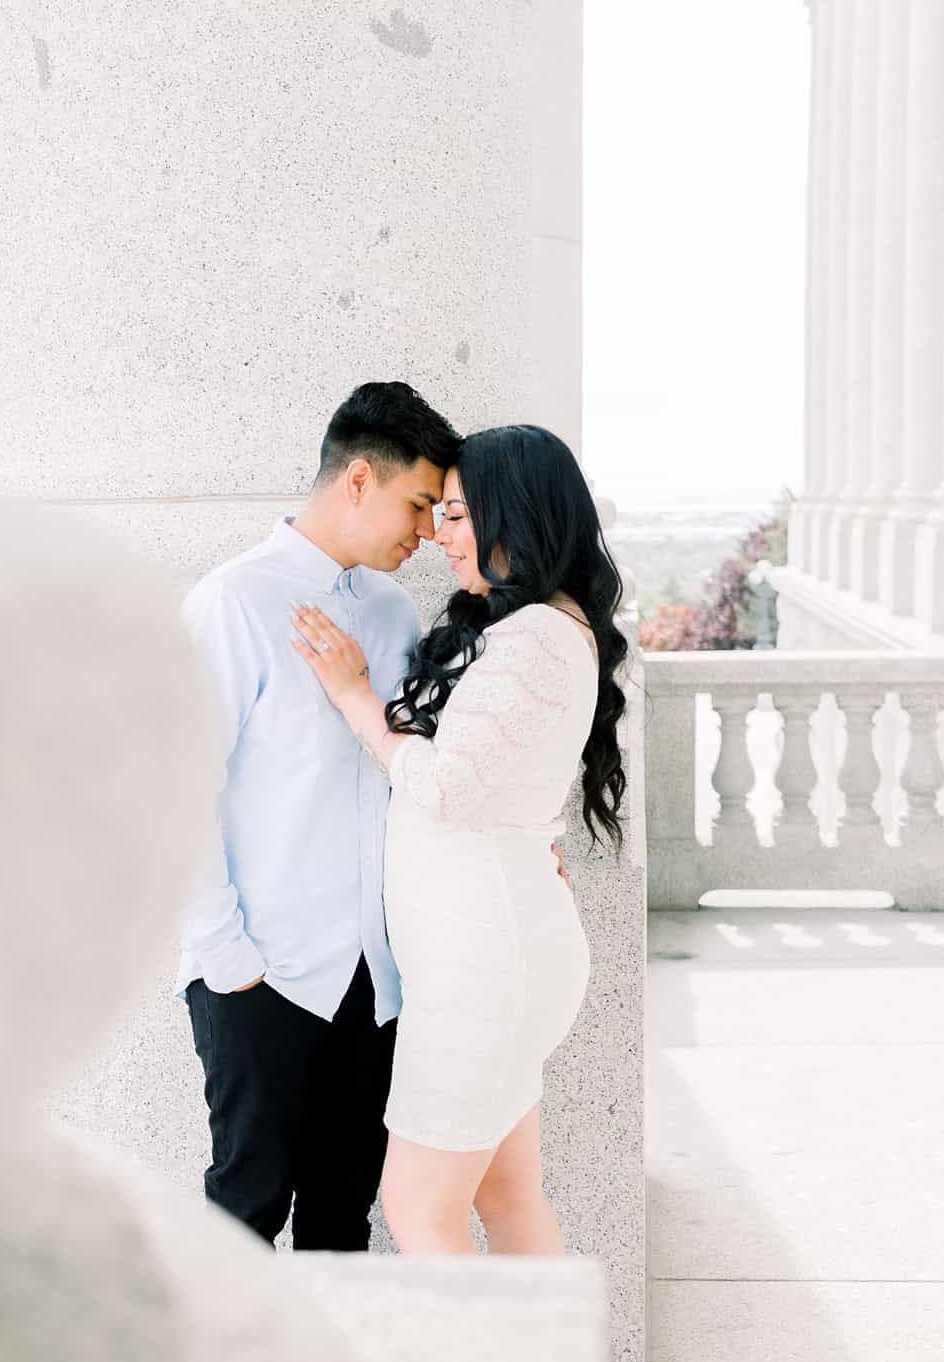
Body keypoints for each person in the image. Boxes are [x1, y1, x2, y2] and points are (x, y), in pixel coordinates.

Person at [290, 422, 628, 1257]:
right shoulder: (520, 629)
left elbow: (444, 787)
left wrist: (353, 696)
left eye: (460, 515)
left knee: (416, 1205)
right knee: (507, 1193)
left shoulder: (536, 638)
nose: (442, 536)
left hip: (486, 964)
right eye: (438, 513)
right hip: (487, 951)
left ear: (520, 513)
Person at [175, 381, 461, 1250]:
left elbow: (408, 771)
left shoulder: (394, 611)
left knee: (344, 1218)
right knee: (244, 1213)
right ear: (360, 480)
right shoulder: (233, 603)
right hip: (266, 973)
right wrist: (228, 960)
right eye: (418, 503)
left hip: (375, 983)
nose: (424, 531)